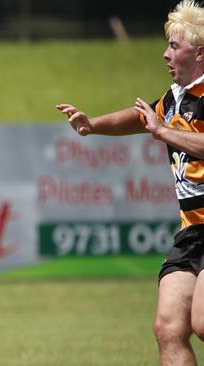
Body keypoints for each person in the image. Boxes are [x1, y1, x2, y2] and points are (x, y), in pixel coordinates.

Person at [57, 1, 204, 365]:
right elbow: (140, 118)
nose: (165, 53)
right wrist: (93, 125)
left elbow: (158, 128)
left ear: (199, 53)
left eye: (174, 45)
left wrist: (162, 131)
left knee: (203, 322)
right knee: (168, 329)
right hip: (193, 233)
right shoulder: (175, 98)